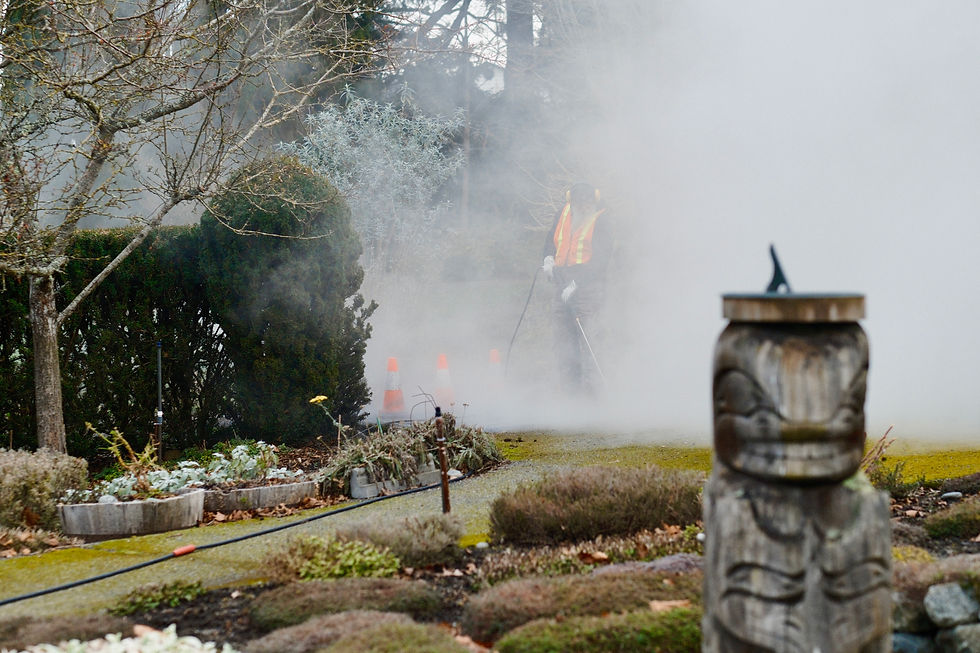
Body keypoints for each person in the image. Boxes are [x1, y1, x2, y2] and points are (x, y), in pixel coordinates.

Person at [540, 182, 612, 395]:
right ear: (571, 200)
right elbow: (550, 242)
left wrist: (577, 283)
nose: (583, 206)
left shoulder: (602, 219)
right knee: (564, 343)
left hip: (589, 289)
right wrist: (547, 259)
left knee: (591, 342)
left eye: (587, 202)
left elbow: (602, 260)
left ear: (594, 200)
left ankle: (594, 396)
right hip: (561, 283)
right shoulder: (562, 214)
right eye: (579, 202)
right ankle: (571, 397)